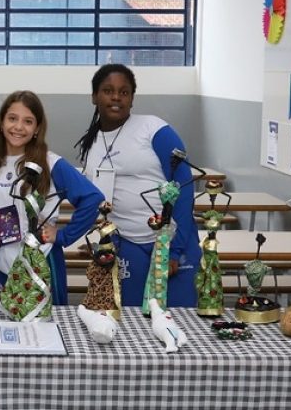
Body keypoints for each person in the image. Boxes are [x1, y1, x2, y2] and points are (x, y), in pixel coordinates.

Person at [75, 64, 198, 309]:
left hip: (169, 242)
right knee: (131, 318)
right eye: (108, 90)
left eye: (124, 92)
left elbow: (184, 187)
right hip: (127, 245)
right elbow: (101, 198)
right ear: (94, 96)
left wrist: (174, 250)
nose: (116, 97)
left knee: (179, 318)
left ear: (132, 98)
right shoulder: (91, 143)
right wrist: (101, 242)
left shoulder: (154, 129)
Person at [0, 90, 103, 305]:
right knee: (11, 328)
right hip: (5, 265)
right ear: (1, 123)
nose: (19, 127)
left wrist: (64, 235)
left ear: (37, 128)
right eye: (12, 118)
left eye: (28, 121)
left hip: (44, 263)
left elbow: (93, 199)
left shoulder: (51, 163)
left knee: (48, 331)